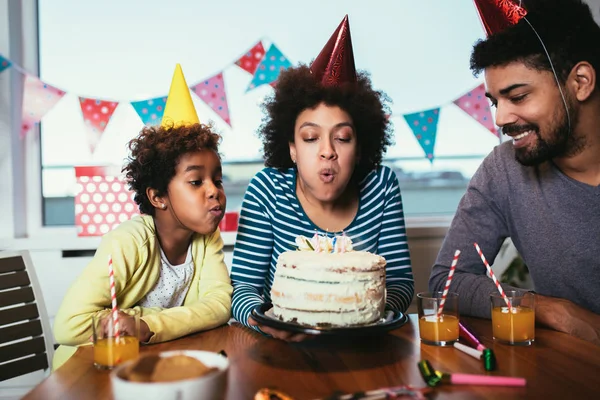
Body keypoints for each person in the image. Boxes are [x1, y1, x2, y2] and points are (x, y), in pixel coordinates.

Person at [230, 16, 414, 341]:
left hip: (365, 348)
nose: (327, 151)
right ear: (291, 149)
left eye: (342, 138)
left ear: (359, 149)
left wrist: (365, 312)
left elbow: (400, 281)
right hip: (284, 350)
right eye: (311, 138)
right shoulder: (266, 189)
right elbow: (243, 286)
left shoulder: (381, 185)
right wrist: (264, 322)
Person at [429, 0, 600, 345]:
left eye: (518, 97)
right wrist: (551, 309)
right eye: (495, 101)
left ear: (580, 82)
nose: (501, 118)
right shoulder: (504, 170)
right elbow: (448, 280)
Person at [53, 64, 233, 368]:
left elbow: (219, 306)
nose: (214, 191)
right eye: (195, 181)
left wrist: (144, 326)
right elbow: (68, 326)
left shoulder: (207, 239)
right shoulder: (128, 241)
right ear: (158, 196)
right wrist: (161, 324)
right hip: (88, 374)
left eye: (217, 180)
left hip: (154, 367)